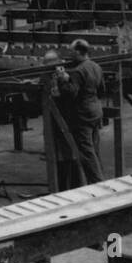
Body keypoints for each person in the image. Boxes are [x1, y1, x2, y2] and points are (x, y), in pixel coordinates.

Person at [56, 39, 105, 184]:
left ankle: (98, 183)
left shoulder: (78, 71)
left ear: (78, 52)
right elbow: (102, 90)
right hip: (96, 111)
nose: (69, 54)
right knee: (94, 149)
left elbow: (70, 94)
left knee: (86, 152)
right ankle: (101, 181)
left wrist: (63, 79)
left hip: (83, 115)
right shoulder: (96, 66)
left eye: (71, 51)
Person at [41, 50, 83, 192]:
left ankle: (74, 188)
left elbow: (71, 93)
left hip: (68, 120)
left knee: (71, 155)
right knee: (59, 157)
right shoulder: (45, 76)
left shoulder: (69, 74)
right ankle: (62, 188)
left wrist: (63, 80)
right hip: (54, 121)